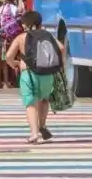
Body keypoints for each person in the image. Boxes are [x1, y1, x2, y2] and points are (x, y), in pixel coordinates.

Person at [5, 10, 64, 145]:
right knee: (44, 100)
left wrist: (14, 64)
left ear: (25, 24)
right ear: (39, 23)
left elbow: (8, 56)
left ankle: (34, 133)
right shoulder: (47, 35)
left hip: (29, 74)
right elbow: (61, 48)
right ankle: (42, 126)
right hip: (47, 74)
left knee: (31, 104)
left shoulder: (21, 37)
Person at [0, 0, 22, 87]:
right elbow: (20, 16)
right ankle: (15, 80)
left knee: (5, 59)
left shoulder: (1, 9)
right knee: (16, 57)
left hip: (4, 37)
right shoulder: (14, 8)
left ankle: (6, 81)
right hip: (14, 37)